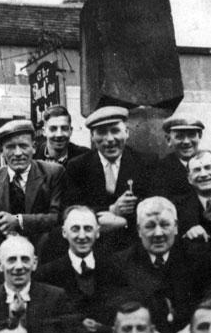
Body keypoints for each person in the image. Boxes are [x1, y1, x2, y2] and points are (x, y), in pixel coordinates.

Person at [111, 196, 211, 333]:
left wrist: (192, 330)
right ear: (138, 230)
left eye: (165, 225)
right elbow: (118, 307)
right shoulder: (121, 263)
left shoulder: (199, 256)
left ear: (176, 226)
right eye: (150, 226)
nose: (158, 233)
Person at [63, 106, 156, 252]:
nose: (110, 139)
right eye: (101, 132)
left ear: (126, 132)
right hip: (91, 243)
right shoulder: (78, 166)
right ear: (93, 137)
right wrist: (112, 209)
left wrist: (123, 221)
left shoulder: (146, 163)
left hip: (133, 242)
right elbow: (70, 209)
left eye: (115, 131)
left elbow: (155, 205)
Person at [0, 119, 64, 253]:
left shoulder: (53, 173)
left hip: (45, 253)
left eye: (23, 146)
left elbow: (57, 217)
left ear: (34, 147)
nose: (18, 153)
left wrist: (18, 221)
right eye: (10, 147)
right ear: (2, 151)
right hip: (7, 254)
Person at [34, 205, 127, 326]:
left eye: (88, 229)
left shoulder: (114, 268)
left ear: (97, 232)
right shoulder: (47, 274)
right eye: (75, 229)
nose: (82, 236)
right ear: (64, 233)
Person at [151, 115, 207, 200]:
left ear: (199, 136)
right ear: (168, 140)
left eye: (191, 135)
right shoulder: (159, 169)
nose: (186, 142)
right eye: (179, 136)